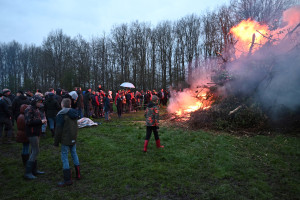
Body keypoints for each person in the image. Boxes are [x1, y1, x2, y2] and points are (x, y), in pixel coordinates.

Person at [54, 98, 81, 187]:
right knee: (74, 153)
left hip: (65, 139)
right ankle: (78, 174)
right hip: (73, 137)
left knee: (64, 157)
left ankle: (67, 179)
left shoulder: (61, 115)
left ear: (62, 105)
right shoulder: (74, 112)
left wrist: (56, 142)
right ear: (70, 105)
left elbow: (58, 130)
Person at [24, 95, 46, 180]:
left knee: (34, 150)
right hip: (32, 133)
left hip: (37, 132)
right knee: (35, 151)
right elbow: (28, 122)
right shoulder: (29, 109)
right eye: (39, 102)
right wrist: (40, 121)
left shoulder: (36, 109)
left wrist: (42, 121)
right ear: (35, 101)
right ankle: (28, 172)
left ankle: (34, 170)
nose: (40, 104)